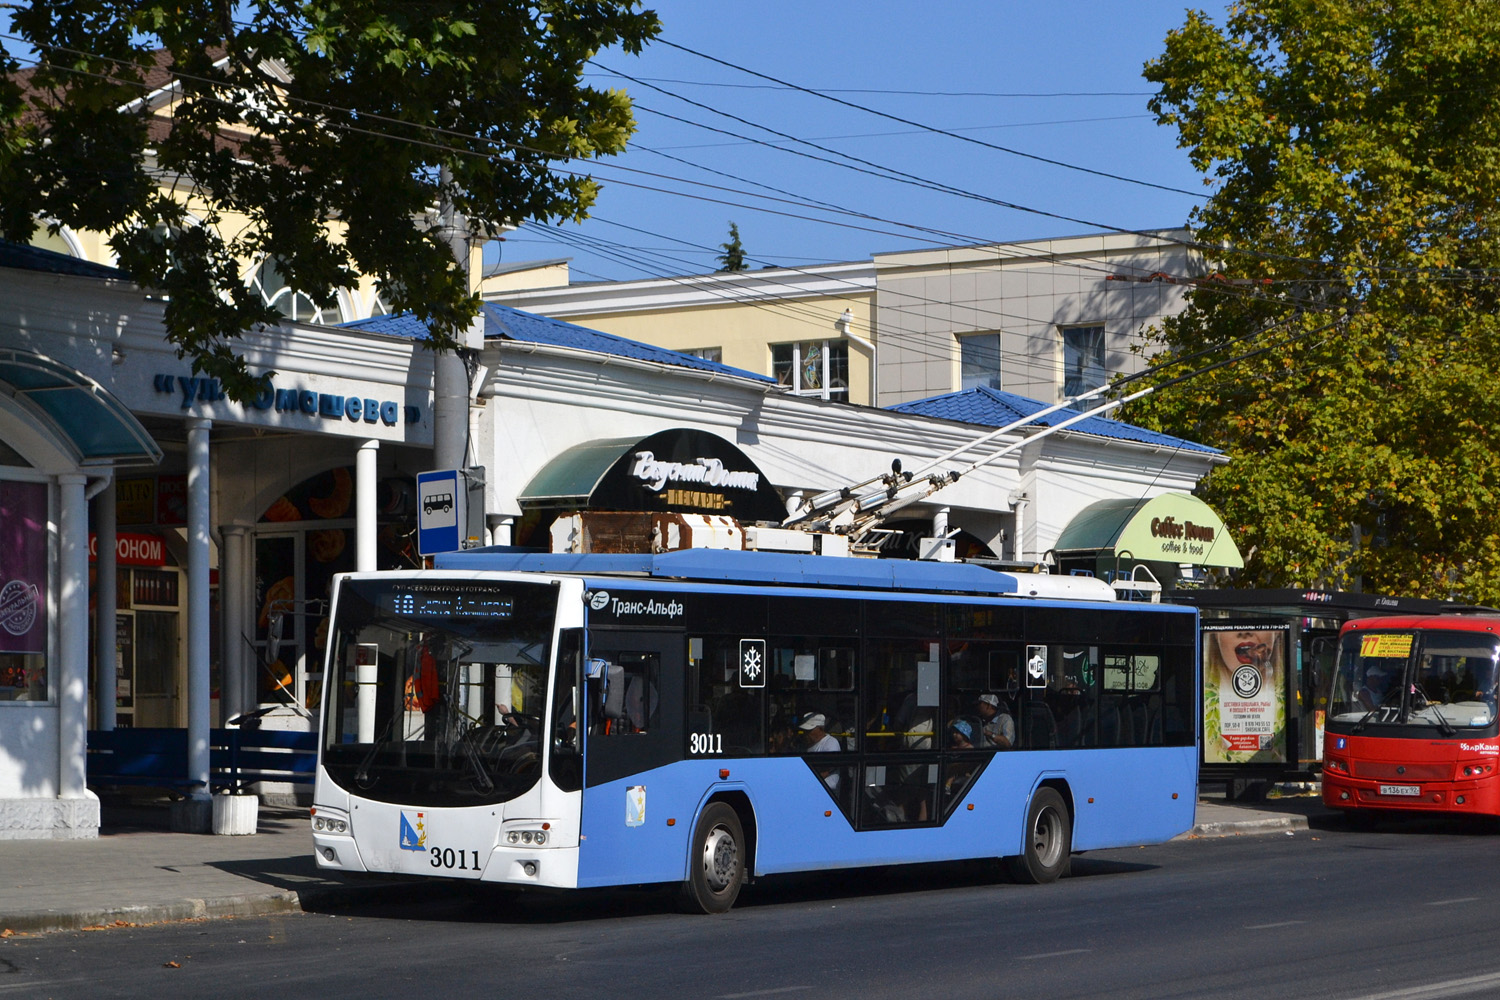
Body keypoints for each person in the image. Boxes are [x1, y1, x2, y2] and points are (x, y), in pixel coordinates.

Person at [798, 711, 841, 792]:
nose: (806, 734)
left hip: (827, 790)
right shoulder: (805, 746)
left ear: (820, 729)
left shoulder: (830, 743)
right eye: (805, 731)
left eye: (809, 730)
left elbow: (825, 771)